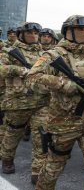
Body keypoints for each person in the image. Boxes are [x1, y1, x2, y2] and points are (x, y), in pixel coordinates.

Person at [26, 15, 84, 190]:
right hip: (63, 124)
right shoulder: (53, 55)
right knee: (53, 166)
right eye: (79, 29)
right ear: (68, 31)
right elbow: (32, 79)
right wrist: (65, 84)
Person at [0, 22, 49, 184]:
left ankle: (38, 170)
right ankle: (7, 159)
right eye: (30, 33)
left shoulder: (44, 52)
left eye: (36, 33)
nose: (33, 35)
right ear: (22, 34)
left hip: (41, 101)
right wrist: (21, 70)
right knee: (13, 133)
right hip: (18, 101)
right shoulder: (9, 51)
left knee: (41, 137)